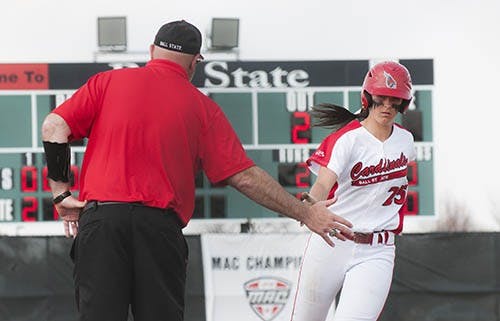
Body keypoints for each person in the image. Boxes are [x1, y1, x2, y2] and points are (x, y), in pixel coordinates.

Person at [41, 20, 353, 321]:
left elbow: (53, 126)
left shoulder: (108, 82)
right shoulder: (202, 107)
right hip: (158, 228)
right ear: (194, 63)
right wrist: (306, 213)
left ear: (151, 51)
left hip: (103, 222)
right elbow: (244, 176)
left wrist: (60, 193)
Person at [290, 61, 416, 321]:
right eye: (381, 99)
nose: (387, 107)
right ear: (367, 97)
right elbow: (323, 183)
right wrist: (312, 205)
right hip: (333, 241)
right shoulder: (347, 139)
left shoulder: (406, 141)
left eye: (395, 101)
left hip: (378, 249)